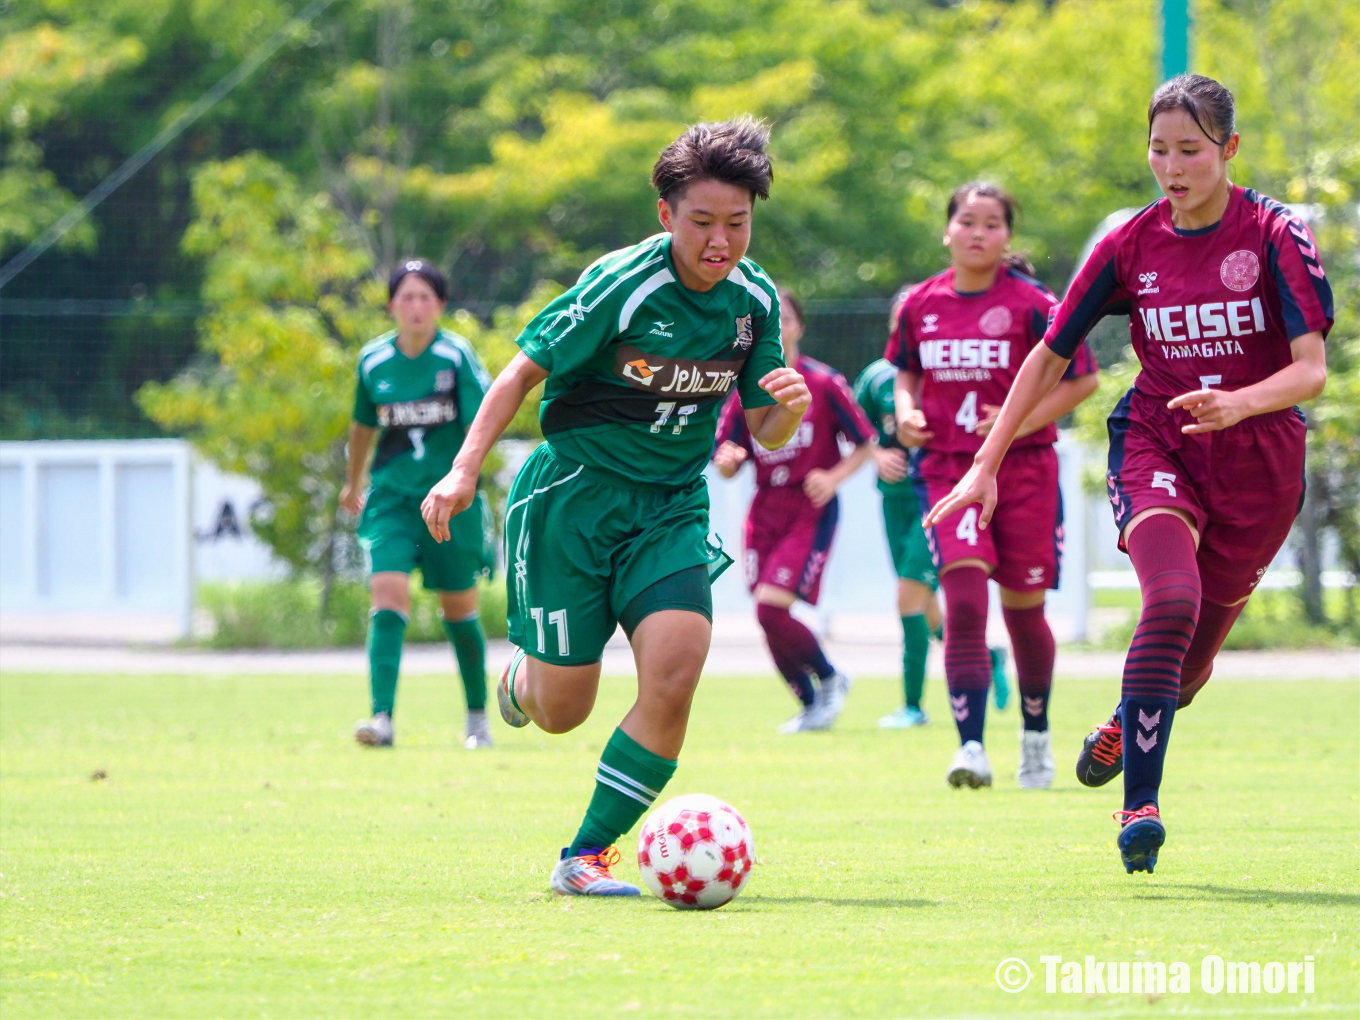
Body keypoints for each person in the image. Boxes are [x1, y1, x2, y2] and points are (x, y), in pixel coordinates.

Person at [925, 75, 1331, 872]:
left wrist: (1240, 402)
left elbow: (1310, 370)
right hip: (1160, 442)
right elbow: (1047, 357)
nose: (1172, 167)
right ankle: (1139, 806)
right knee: (1169, 600)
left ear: (1229, 150)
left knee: (1188, 670)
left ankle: (1126, 718)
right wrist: (984, 463)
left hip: (1261, 466)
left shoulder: (1276, 233)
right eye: (1158, 150)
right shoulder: (1130, 244)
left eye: (1191, 150)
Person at [421, 119, 810, 896]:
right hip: (574, 499)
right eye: (702, 222)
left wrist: (787, 413)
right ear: (667, 216)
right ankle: (524, 682)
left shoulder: (755, 301)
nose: (720, 242)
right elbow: (516, 375)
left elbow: (767, 426)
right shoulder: (620, 284)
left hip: (670, 507)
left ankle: (585, 854)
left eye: (737, 223)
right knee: (564, 709)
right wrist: (463, 472)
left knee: (674, 672)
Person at [889, 183, 1099, 790]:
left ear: (1008, 235)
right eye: (967, 221)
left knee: (1023, 610)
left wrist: (1014, 423)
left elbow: (1079, 381)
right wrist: (906, 410)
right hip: (947, 471)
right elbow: (906, 371)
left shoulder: (1035, 302)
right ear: (947, 231)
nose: (978, 232)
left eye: (992, 223)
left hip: (1026, 471)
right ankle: (971, 747)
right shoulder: (918, 304)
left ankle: (1035, 738)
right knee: (963, 599)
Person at [341, 260, 496, 750]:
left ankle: (476, 719)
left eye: (425, 297)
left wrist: (463, 479)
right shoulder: (372, 361)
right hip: (391, 498)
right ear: (391, 305)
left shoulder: (456, 356)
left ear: (441, 306)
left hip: (449, 501)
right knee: (386, 596)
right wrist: (352, 484)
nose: (415, 306)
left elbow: (482, 422)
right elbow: (363, 428)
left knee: (459, 610)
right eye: (405, 297)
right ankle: (380, 719)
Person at [713, 287, 872, 733]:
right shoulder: (743, 390)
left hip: (808, 507)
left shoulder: (822, 382)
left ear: (799, 325)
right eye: (768, 322)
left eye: (785, 319)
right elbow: (728, 455)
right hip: (764, 509)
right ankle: (810, 703)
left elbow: (865, 444)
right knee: (767, 617)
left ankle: (829, 677)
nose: (778, 329)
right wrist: (728, 463)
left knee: (770, 610)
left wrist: (833, 476)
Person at [855, 288, 1012, 730]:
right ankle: (987, 656)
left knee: (908, 595)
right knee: (921, 603)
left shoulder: (950, 372)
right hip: (894, 503)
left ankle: (913, 705)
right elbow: (857, 430)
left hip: (938, 499)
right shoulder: (876, 378)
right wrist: (876, 455)